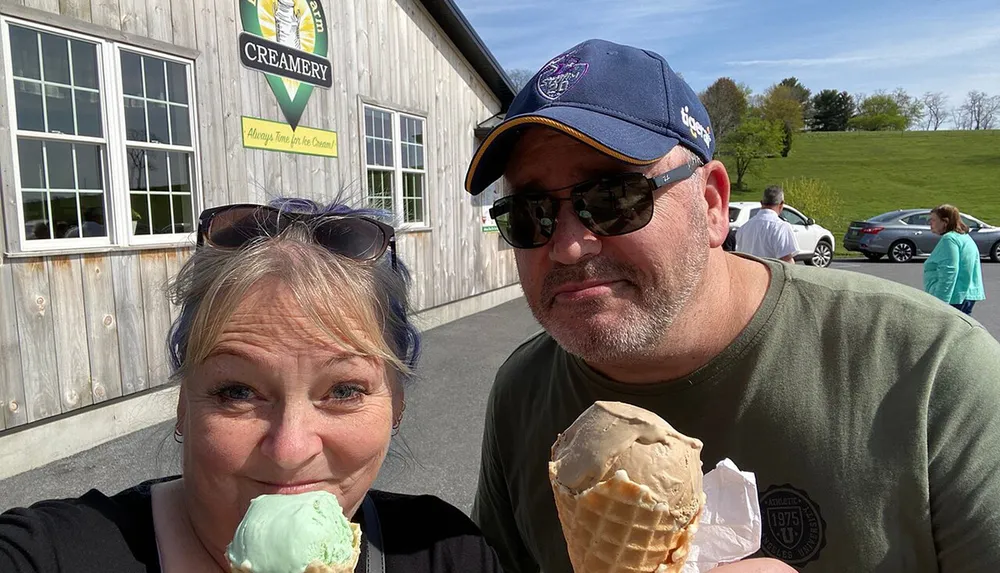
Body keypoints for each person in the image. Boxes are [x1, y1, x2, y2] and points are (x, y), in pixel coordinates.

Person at [465, 38, 1000, 573]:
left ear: (713, 204)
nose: (567, 245)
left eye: (614, 198)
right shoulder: (522, 393)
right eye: (529, 213)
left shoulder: (932, 369)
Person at [0, 198, 503, 573]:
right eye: (238, 392)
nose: (288, 450)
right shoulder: (53, 554)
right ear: (181, 404)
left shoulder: (446, 553)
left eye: (344, 390)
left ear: (395, 404)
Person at [924, 204, 986, 315]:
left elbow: (949, 271)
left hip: (953, 298)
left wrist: (939, 304)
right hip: (965, 295)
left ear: (945, 222)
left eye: (933, 220)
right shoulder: (964, 237)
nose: (930, 223)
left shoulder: (949, 239)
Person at [734, 186, 798, 263]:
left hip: (747, 272)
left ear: (761, 203)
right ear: (781, 204)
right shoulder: (781, 227)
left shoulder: (744, 228)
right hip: (770, 273)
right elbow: (787, 261)